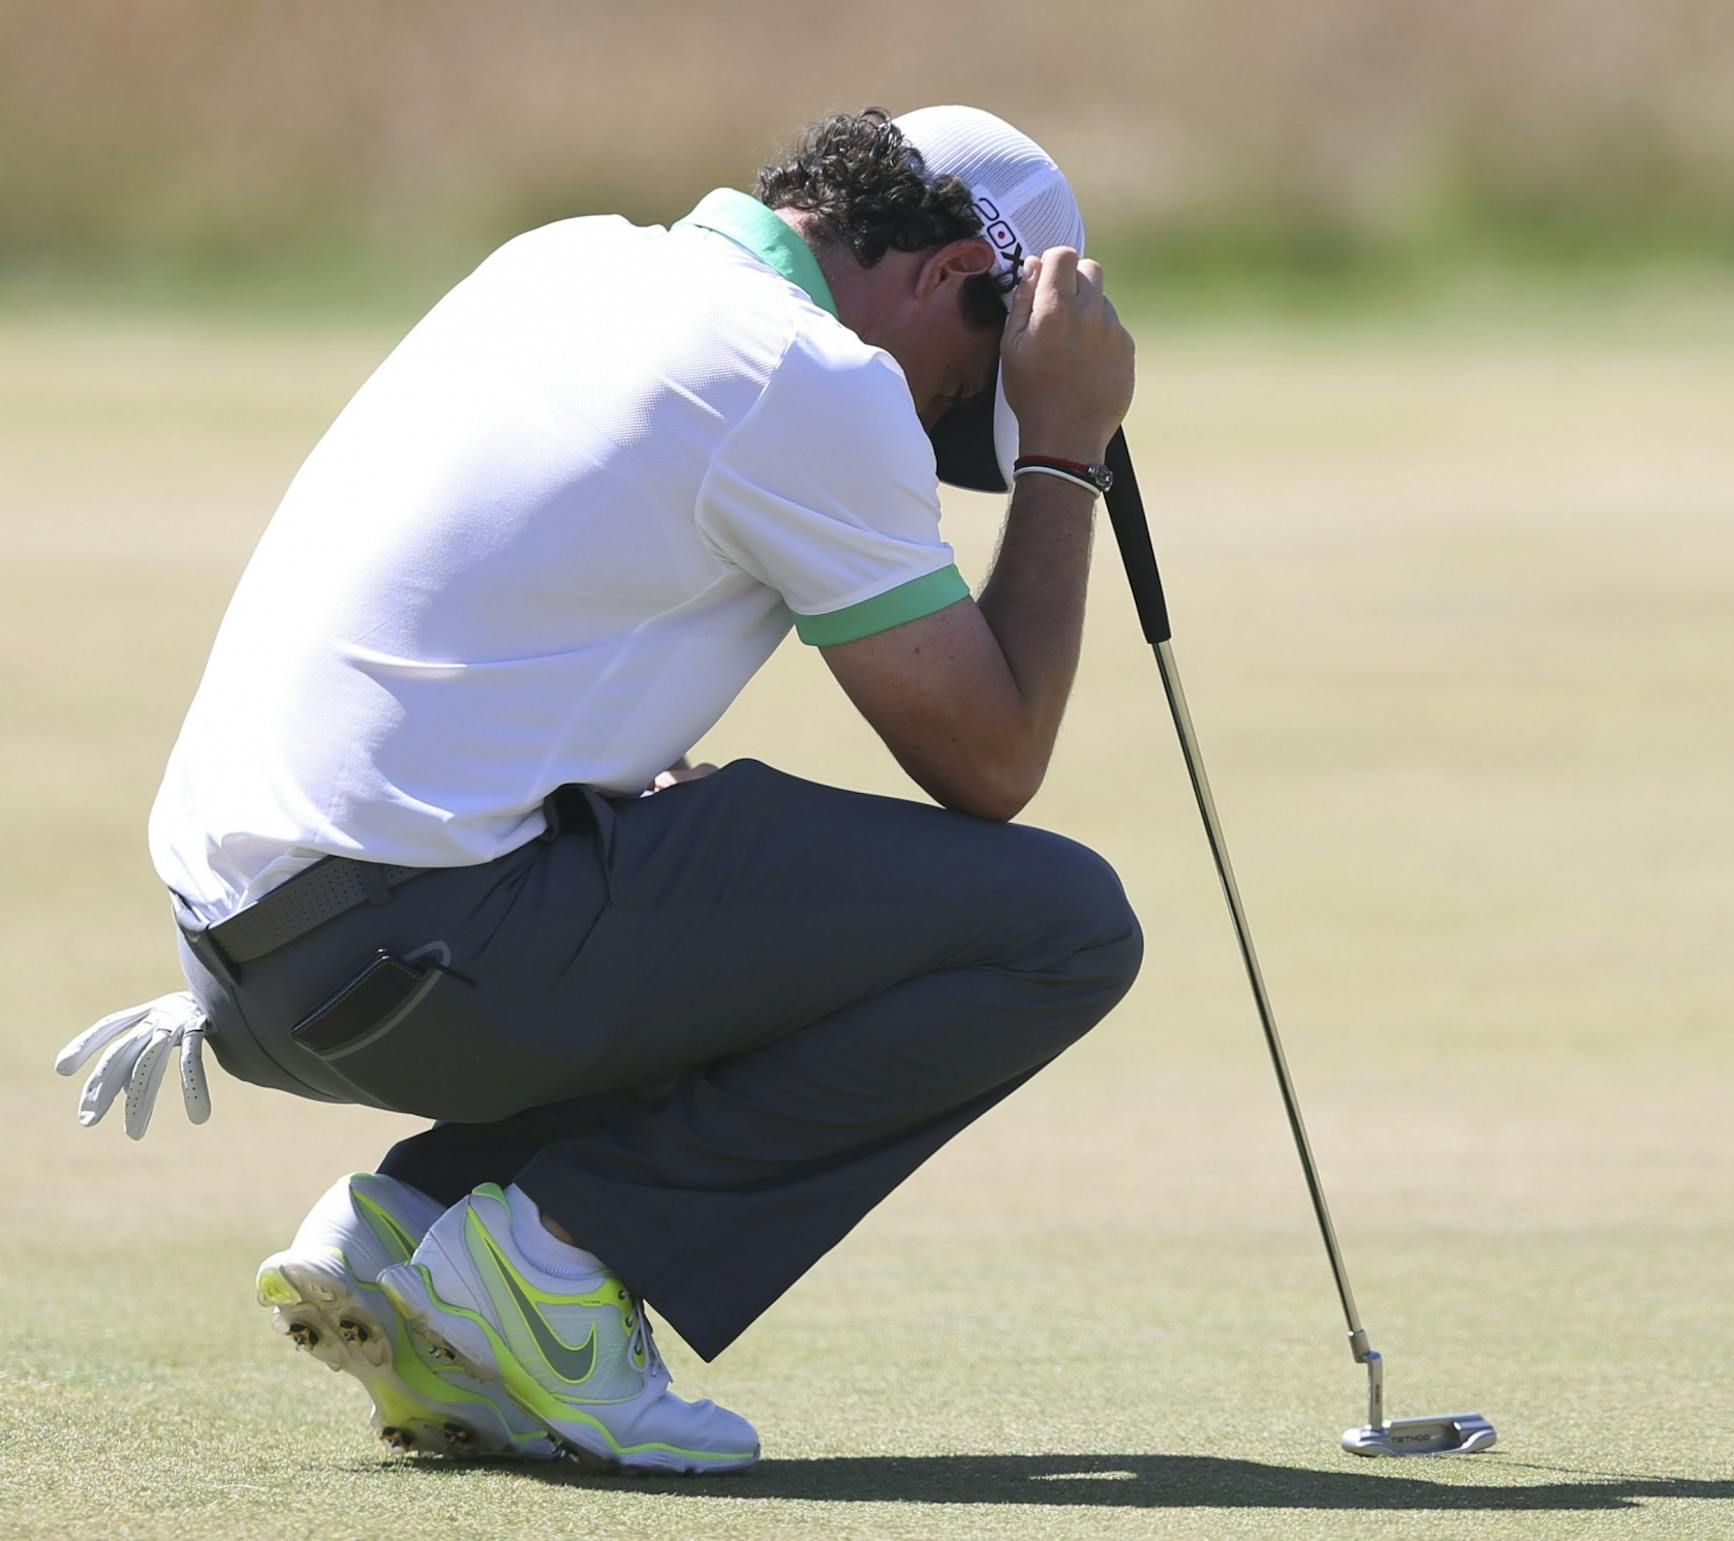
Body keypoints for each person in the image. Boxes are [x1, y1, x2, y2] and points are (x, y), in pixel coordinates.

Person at [53, 105, 1142, 1474]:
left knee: (734, 858)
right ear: (940, 281)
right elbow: (996, 759)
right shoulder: (806, 375)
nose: (934, 431)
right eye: (963, 388)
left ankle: (411, 1224)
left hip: (249, 952)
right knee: (1058, 926)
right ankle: (552, 1269)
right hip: (408, 944)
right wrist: (1062, 446)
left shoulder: (560, 261)